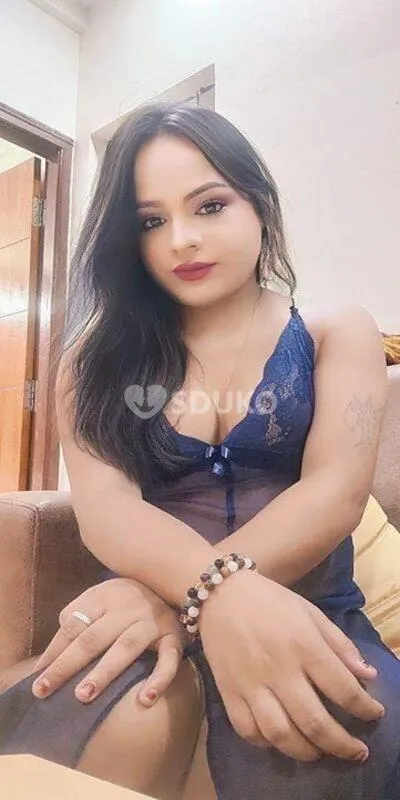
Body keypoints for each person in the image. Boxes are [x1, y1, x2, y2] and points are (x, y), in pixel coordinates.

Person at [1, 102, 399, 800]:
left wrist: (200, 596)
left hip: (306, 612)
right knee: (113, 728)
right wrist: (210, 596)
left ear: (259, 204)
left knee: (320, 748)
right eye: (151, 221)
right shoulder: (91, 360)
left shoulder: (338, 331)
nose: (181, 239)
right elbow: (107, 512)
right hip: (143, 614)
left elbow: (334, 493)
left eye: (210, 205)